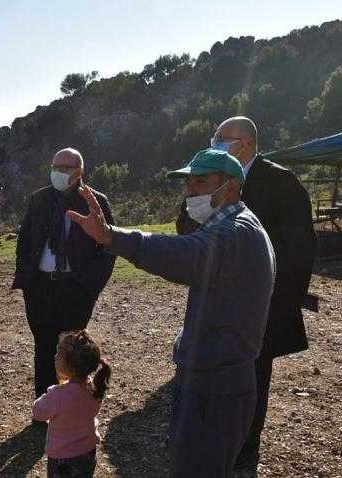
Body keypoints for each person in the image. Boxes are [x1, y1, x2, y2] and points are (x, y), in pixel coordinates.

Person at [68, 149, 276, 477]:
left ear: (232, 187)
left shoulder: (235, 232)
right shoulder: (233, 226)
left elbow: (184, 256)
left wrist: (112, 236)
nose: (191, 190)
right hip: (213, 378)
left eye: (202, 181)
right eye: (188, 182)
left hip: (215, 387)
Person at [177, 117, 317, 477]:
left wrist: (276, 306)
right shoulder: (210, 173)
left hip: (260, 309)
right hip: (213, 298)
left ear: (248, 145)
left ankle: (243, 453)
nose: (216, 143)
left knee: (252, 380)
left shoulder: (281, 183)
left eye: (224, 139)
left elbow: (299, 252)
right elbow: (185, 224)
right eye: (215, 137)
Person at [13, 148, 117, 420]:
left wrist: (91, 287)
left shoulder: (96, 201)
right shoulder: (40, 199)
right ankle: (43, 412)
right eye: (55, 166)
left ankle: (71, 410)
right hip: (40, 287)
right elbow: (24, 241)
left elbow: (109, 248)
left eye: (66, 168)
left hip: (75, 289)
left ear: (80, 172)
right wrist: (28, 278)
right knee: (43, 346)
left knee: (72, 351)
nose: (58, 172)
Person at [32, 329, 111, 478]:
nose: (55, 357)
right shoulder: (95, 389)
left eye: (58, 355)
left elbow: (38, 412)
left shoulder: (57, 395)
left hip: (63, 458)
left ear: (70, 367)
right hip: (88, 452)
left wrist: (48, 394)